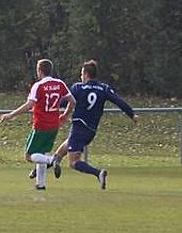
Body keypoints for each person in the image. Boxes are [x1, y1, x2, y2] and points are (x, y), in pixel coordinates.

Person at [49, 60, 138, 190]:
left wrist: (47, 106)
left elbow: (62, 102)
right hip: (91, 130)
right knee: (64, 148)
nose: (81, 76)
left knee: (74, 162)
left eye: (81, 74)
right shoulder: (104, 88)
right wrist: (132, 114)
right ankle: (44, 166)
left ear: (86, 74)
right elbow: (118, 101)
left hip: (79, 127)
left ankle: (98, 173)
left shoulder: (78, 88)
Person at [0, 59, 75, 190]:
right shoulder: (59, 84)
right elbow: (72, 101)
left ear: (39, 71)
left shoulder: (39, 86)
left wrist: (11, 115)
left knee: (29, 156)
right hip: (54, 125)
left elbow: (29, 104)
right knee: (41, 153)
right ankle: (41, 184)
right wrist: (65, 116)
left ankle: (52, 160)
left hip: (41, 126)